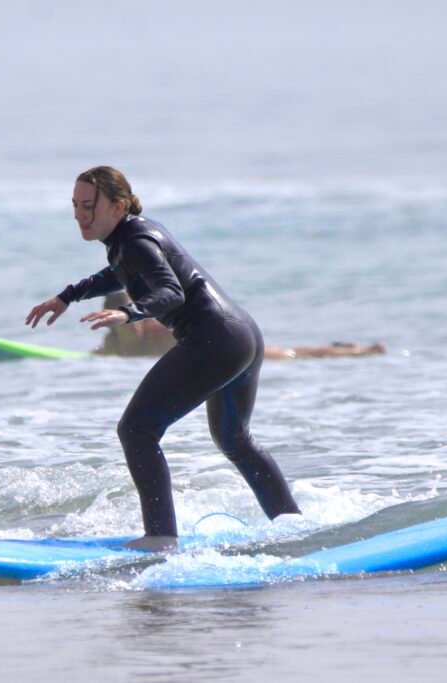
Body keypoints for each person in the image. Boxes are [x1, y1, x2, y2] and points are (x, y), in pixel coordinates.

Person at [26, 166, 301, 551]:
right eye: (74, 205)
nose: (78, 215)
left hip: (215, 339)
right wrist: (67, 296)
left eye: (88, 205)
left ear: (118, 206)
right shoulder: (132, 237)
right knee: (235, 440)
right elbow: (117, 275)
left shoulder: (136, 241)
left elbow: (171, 293)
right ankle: (292, 526)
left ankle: (160, 536)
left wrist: (129, 312)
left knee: (136, 429)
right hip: (240, 336)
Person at [93, 292, 386, 360]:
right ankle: (339, 349)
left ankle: (355, 352)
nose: (133, 324)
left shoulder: (159, 331)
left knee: (288, 356)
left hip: (227, 346)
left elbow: (201, 343)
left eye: (134, 315)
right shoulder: (112, 344)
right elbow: (93, 360)